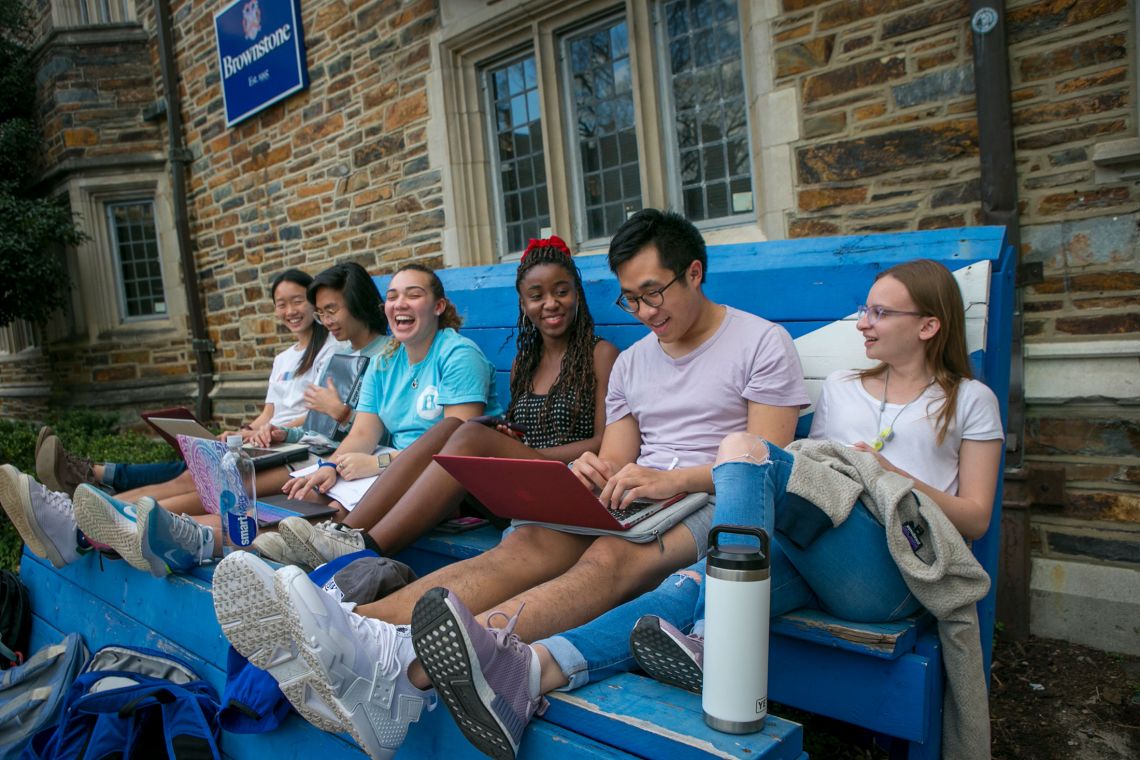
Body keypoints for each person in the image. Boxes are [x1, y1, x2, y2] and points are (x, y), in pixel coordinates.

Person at [210, 209, 810, 759]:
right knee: (521, 546)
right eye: (631, 300)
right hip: (639, 496)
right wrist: (596, 472)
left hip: (713, 500)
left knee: (607, 556)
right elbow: (621, 453)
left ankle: (403, 667)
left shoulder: (759, 343)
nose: (647, 313)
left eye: (654, 292)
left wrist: (666, 479)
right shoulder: (635, 362)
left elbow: (762, 464)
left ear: (694, 272)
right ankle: (359, 631)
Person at [411, 258, 1005, 760]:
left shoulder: (969, 402)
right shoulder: (848, 387)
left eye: (880, 312)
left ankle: (709, 637)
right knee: (687, 586)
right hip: (818, 551)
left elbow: (975, 517)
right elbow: (816, 483)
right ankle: (529, 672)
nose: (862, 322)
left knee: (745, 451)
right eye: (864, 309)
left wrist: (890, 475)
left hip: (892, 568)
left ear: (928, 325)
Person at [0, 262, 388, 573]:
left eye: (329, 310)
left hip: (328, 462)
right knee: (205, 473)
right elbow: (318, 422)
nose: (325, 319)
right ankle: (86, 518)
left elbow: (367, 428)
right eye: (321, 311)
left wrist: (333, 416)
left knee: (220, 480)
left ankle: (92, 527)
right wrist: (278, 428)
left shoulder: (382, 355)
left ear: (355, 302)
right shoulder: (343, 355)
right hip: (308, 449)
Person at [263, 236, 619, 568]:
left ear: (578, 295)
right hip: (515, 482)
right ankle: (345, 536)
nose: (550, 303)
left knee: (464, 433)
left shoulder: (600, 355)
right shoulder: (525, 363)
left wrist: (526, 456)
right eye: (537, 295)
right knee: (454, 429)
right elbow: (521, 433)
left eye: (562, 292)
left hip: (564, 481)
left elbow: (605, 442)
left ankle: (365, 548)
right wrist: (509, 441)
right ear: (524, 304)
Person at [31, 269, 340, 497]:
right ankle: (94, 483)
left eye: (297, 301)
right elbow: (268, 412)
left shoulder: (332, 349)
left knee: (191, 475)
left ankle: (93, 486)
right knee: (193, 465)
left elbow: (318, 414)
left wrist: (270, 432)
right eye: (281, 304)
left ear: (312, 302)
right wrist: (246, 430)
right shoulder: (283, 358)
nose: (289, 311)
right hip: (262, 442)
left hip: (290, 446)